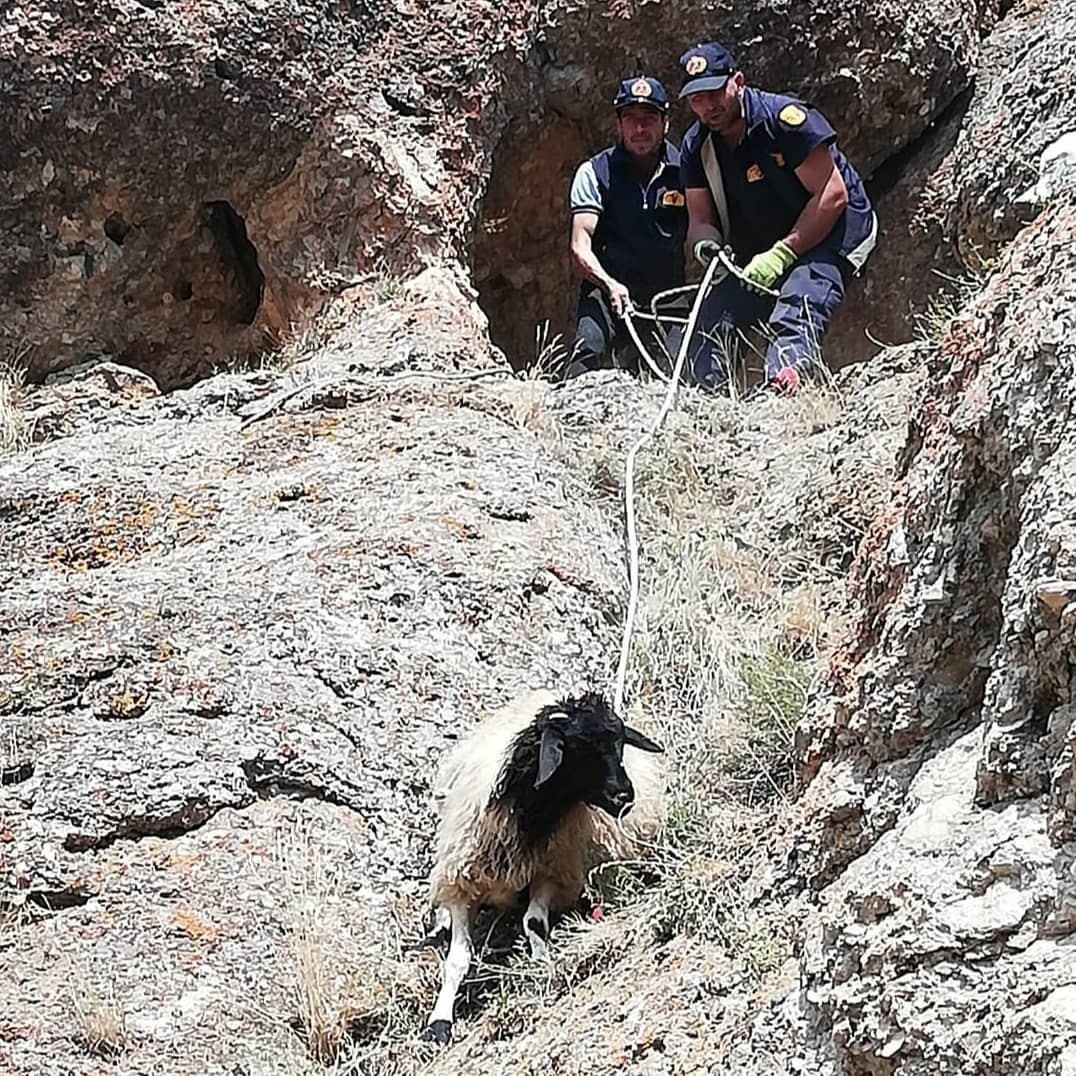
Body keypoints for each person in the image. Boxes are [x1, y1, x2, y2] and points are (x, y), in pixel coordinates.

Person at [676, 41, 877, 394]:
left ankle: (783, 395)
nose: (708, 106)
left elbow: (832, 195)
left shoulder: (783, 120)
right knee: (710, 321)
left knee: (798, 302)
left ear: (737, 81)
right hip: (762, 251)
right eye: (697, 99)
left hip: (835, 232)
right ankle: (709, 405)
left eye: (714, 92)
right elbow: (699, 218)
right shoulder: (697, 146)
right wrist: (706, 245)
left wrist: (783, 254)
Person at [566, 76, 689, 379]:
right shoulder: (594, 173)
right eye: (630, 120)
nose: (640, 130)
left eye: (648, 120)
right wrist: (608, 284)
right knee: (588, 351)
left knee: (674, 375)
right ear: (618, 125)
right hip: (606, 291)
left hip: (668, 298)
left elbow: (705, 226)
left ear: (666, 123)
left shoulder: (689, 171)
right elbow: (580, 247)